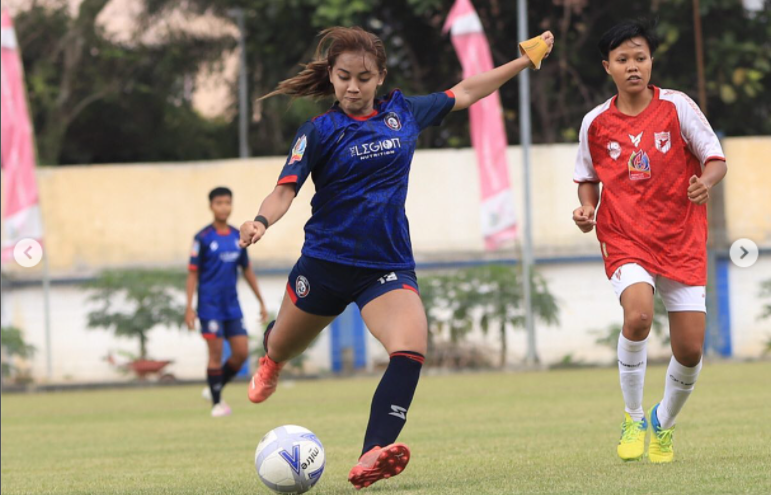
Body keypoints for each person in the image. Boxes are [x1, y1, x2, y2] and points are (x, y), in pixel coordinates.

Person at [238, 26, 553, 489]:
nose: (353, 86)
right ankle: (272, 360)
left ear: (380, 76)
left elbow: (465, 91)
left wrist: (525, 61)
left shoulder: (403, 114)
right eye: (344, 76)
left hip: (385, 266)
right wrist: (260, 222)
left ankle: (371, 453)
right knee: (283, 345)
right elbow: (284, 190)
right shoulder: (320, 131)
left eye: (364, 77)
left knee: (410, 348)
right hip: (325, 264)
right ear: (331, 76)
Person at [572, 20, 727, 463]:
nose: (633, 66)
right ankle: (634, 415)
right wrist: (587, 209)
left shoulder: (678, 107)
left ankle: (662, 423)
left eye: (640, 57)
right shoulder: (596, 123)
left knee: (691, 349)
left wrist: (706, 182)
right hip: (625, 236)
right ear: (608, 67)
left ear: (651, 61)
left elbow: (715, 157)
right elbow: (587, 178)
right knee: (638, 315)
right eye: (623, 59)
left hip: (680, 237)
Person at [185, 187, 269, 417]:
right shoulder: (202, 238)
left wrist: (261, 301)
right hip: (209, 307)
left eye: (227, 202)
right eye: (219, 203)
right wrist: (189, 307)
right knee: (215, 353)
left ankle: (215, 385)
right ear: (211, 206)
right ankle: (217, 403)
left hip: (232, 306)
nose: (224, 207)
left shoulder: (236, 236)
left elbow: (247, 270)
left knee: (241, 353)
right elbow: (192, 273)